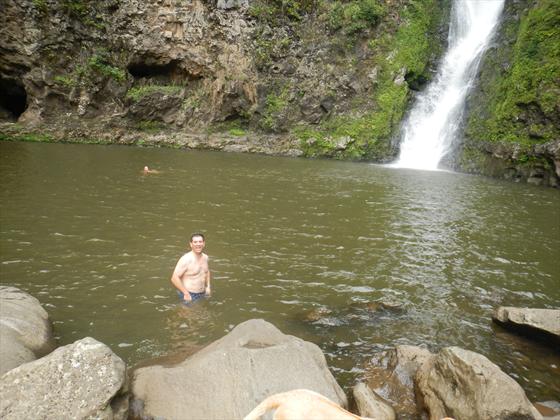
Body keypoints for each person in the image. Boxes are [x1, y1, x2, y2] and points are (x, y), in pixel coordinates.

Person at [171, 233, 211, 305]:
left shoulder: (205, 257)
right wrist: (186, 293)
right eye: (195, 242)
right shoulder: (186, 259)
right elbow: (174, 278)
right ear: (191, 244)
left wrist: (208, 286)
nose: (198, 244)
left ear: (204, 243)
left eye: (200, 242)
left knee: (200, 313)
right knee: (186, 315)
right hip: (189, 294)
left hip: (202, 293)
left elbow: (207, 271)